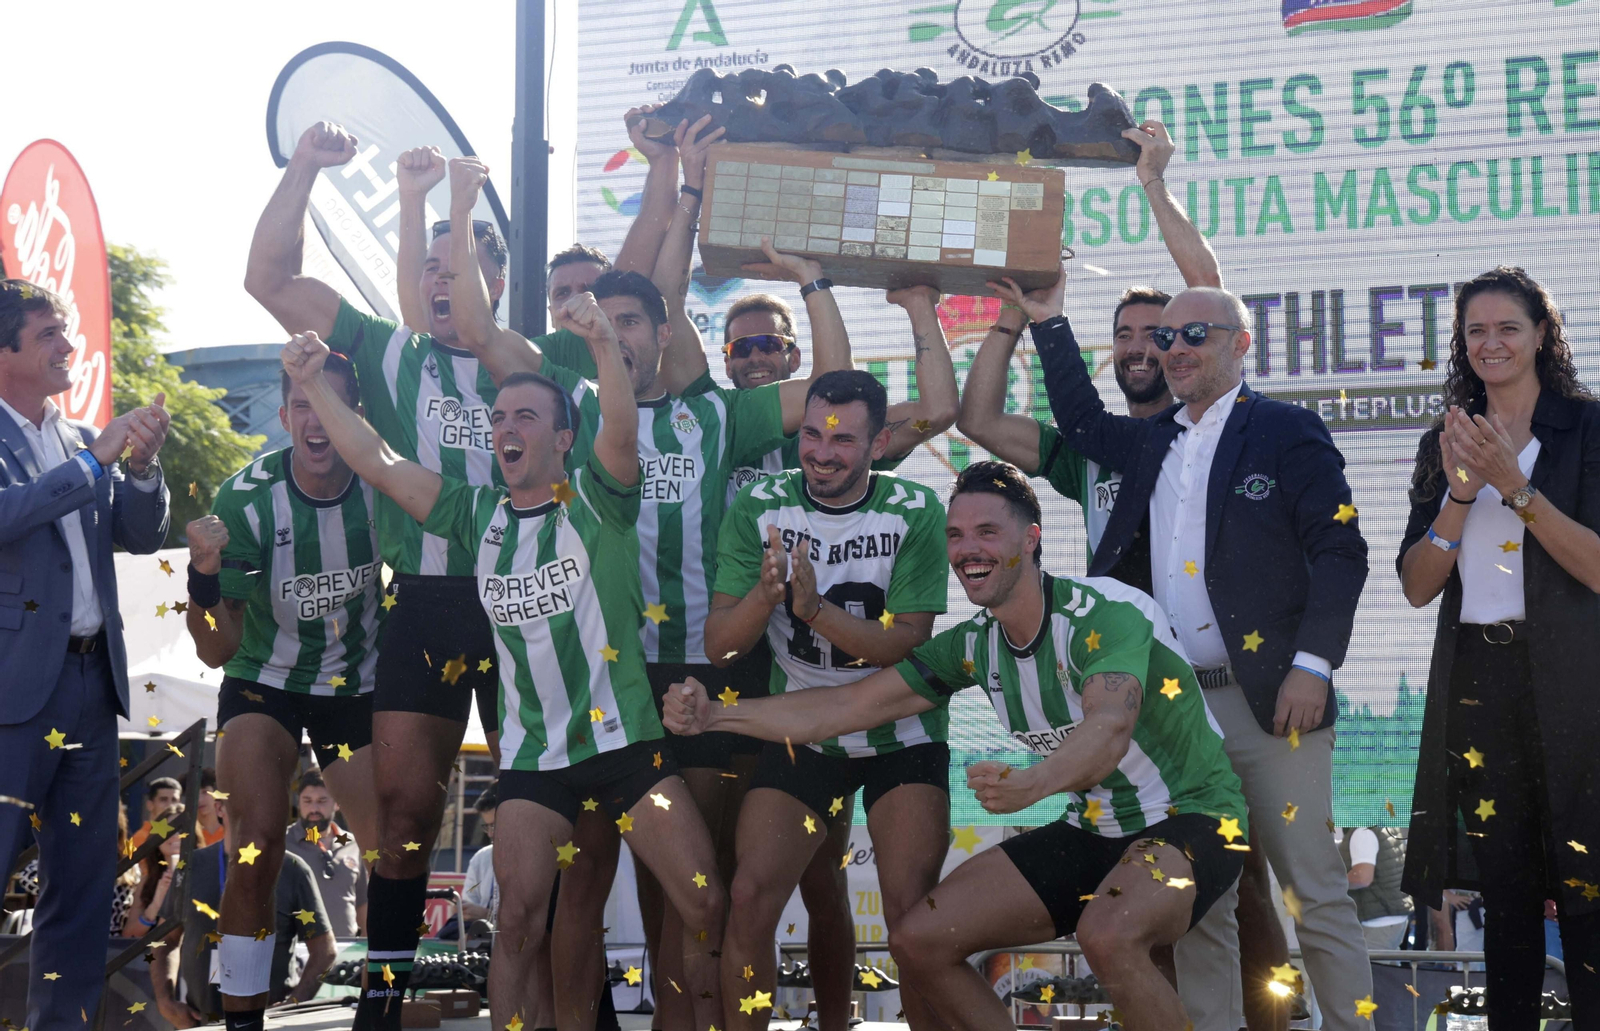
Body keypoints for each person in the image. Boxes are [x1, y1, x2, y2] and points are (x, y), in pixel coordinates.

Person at [440, 134, 854, 1030]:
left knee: (713, 900)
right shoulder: (568, 406)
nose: (621, 333)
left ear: (665, 333)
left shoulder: (716, 413)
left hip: (714, 667)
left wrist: (806, 275)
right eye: (607, 321)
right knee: (587, 892)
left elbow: (828, 389)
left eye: (638, 322)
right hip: (612, 689)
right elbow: (477, 328)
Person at [280, 276, 728, 1031]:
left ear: (562, 437)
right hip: (533, 764)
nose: (505, 428)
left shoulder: (598, 493)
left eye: (526, 415)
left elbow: (618, 422)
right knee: (517, 924)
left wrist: (596, 345)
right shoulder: (475, 510)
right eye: (498, 418)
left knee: (706, 901)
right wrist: (311, 387)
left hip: (627, 746)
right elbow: (379, 459)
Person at [664, 461, 1250, 1029]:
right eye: (956, 535)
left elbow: (1108, 729)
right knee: (917, 940)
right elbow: (839, 710)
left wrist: (1035, 781)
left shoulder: (1102, 612)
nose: (969, 548)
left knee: (1107, 935)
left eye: (988, 532)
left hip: (1194, 819)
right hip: (1093, 830)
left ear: (1033, 539)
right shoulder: (973, 645)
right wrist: (717, 716)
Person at [961, 125, 1293, 1031]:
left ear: (1195, 344)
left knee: (1242, 874)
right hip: (1126, 680)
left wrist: (1153, 187)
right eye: (1129, 337)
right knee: (1181, 898)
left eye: (1165, 334)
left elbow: (1212, 294)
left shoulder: (1208, 428)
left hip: (1215, 678)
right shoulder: (1096, 446)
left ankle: (1272, 1021)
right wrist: (1023, 313)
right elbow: (981, 417)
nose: (1146, 347)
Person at [1028, 269, 1374, 1028]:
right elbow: (1082, 422)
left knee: (1312, 889)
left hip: (1272, 699)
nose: (1172, 348)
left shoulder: (1284, 429)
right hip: (1178, 711)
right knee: (1203, 900)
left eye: (1193, 334)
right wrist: (1049, 320)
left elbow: (1341, 550)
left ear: (1240, 344)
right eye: (1163, 336)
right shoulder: (1150, 439)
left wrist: (1313, 665)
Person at [245, 121, 516, 1029]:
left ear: (499, 278)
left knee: (540, 820)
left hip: (532, 609)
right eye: (429, 268)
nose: (441, 282)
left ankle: (567, 1001)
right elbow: (270, 280)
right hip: (430, 606)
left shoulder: (544, 362)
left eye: (461, 266)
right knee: (402, 822)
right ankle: (383, 1008)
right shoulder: (397, 357)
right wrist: (305, 169)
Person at [708, 286, 958, 1031]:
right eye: (812, 434)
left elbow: (908, 645)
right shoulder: (760, 505)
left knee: (912, 915)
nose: (821, 452)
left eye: (842, 440)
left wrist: (816, 611)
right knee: (751, 897)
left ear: (878, 444)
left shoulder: (915, 509)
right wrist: (765, 597)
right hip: (805, 727)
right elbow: (722, 644)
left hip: (898, 731)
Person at [1398, 265, 1600, 1026]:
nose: (1492, 343)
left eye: (1508, 327)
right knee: (1507, 895)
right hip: (1479, 682)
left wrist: (1514, 487)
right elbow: (1419, 585)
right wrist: (1457, 492)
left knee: (1587, 889)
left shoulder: (1587, 430)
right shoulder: (1445, 437)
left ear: (1542, 334)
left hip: (1576, 683)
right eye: (1475, 330)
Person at [182, 349, 381, 1031]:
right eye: (302, 403)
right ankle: (242, 1019)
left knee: (396, 845)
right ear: (285, 415)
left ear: (356, 414)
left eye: (331, 404)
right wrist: (203, 578)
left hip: (355, 683)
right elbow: (216, 647)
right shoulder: (244, 497)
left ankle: (380, 1007)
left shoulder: (384, 480)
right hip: (262, 680)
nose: (316, 419)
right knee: (257, 842)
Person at [0, 278, 171, 1031]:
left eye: (66, 332)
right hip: (11, 692)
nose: (69, 346)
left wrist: (138, 469)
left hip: (92, 681)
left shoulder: (77, 440)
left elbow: (137, 534)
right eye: (48, 335)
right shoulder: (77, 451)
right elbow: (10, 513)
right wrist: (98, 461)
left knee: (81, 884)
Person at [392, 102, 686, 387]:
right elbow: (417, 313)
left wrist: (664, 160)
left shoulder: (568, 350)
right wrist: (412, 196)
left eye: (589, 291)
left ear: (498, 287)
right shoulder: (424, 362)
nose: (575, 301)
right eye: (562, 292)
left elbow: (648, 232)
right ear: (549, 307)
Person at [151, 795, 336, 1027]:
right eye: (243, 802)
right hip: (200, 1021)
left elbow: (324, 950)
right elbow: (164, 941)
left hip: (270, 1023)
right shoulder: (191, 867)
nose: (254, 814)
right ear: (220, 808)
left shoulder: (293, 869)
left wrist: (296, 1002)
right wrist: (165, 1002)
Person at [15, 805, 141, 938]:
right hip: (66, 940)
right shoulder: (65, 857)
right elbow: (28, 876)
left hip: (107, 944)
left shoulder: (128, 867)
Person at [286, 770, 369, 937]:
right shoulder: (283, 843)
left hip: (347, 953)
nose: (314, 809)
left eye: (322, 801)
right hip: (301, 953)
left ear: (337, 803)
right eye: (307, 801)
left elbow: (363, 903)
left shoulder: (354, 844)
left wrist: (367, 948)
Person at [1338, 826, 1411, 950]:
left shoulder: (1363, 832)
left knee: (1372, 968)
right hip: (1392, 915)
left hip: (1377, 920)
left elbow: (1362, 877)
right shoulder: (1385, 826)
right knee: (1386, 967)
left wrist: (1331, 884)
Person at [461, 784, 499, 929]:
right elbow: (469, 902)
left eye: (495, 825)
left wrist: (486, 915)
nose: (490, 834)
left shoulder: (530, 861)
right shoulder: (481, 858)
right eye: (487, 826)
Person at [129, 777, 184, 849]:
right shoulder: (140, 839)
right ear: (150, 805)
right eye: (163, 800)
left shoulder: (185, 835)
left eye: (174, 800)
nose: (170, 805)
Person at [196, 768, 227, 846]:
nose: (199, 799)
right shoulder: (190, 835)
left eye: (205, 792)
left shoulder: (229, 832)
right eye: (195, 793)